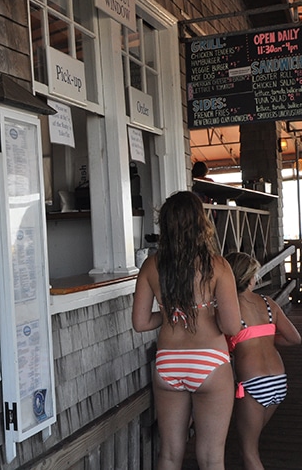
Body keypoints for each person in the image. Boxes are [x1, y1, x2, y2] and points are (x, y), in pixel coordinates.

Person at [132, 191, 242, 470]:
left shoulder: (150, 266)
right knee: (211, 456)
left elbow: (141, 323)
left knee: (169, 454)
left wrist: (171, 313)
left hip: (168, 363)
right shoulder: (218, 266)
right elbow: (231, 326)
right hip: (210, 364)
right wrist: (207, 311)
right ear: (200, 222)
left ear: (165, 226)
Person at [224, 252, 300, 470]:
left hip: (253, 383)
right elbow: (294, 338)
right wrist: (265, 340)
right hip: (278, 380)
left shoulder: (230, 309)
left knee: (249, 451)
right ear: (250, 279)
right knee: (249, 441)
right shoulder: (268, 303)